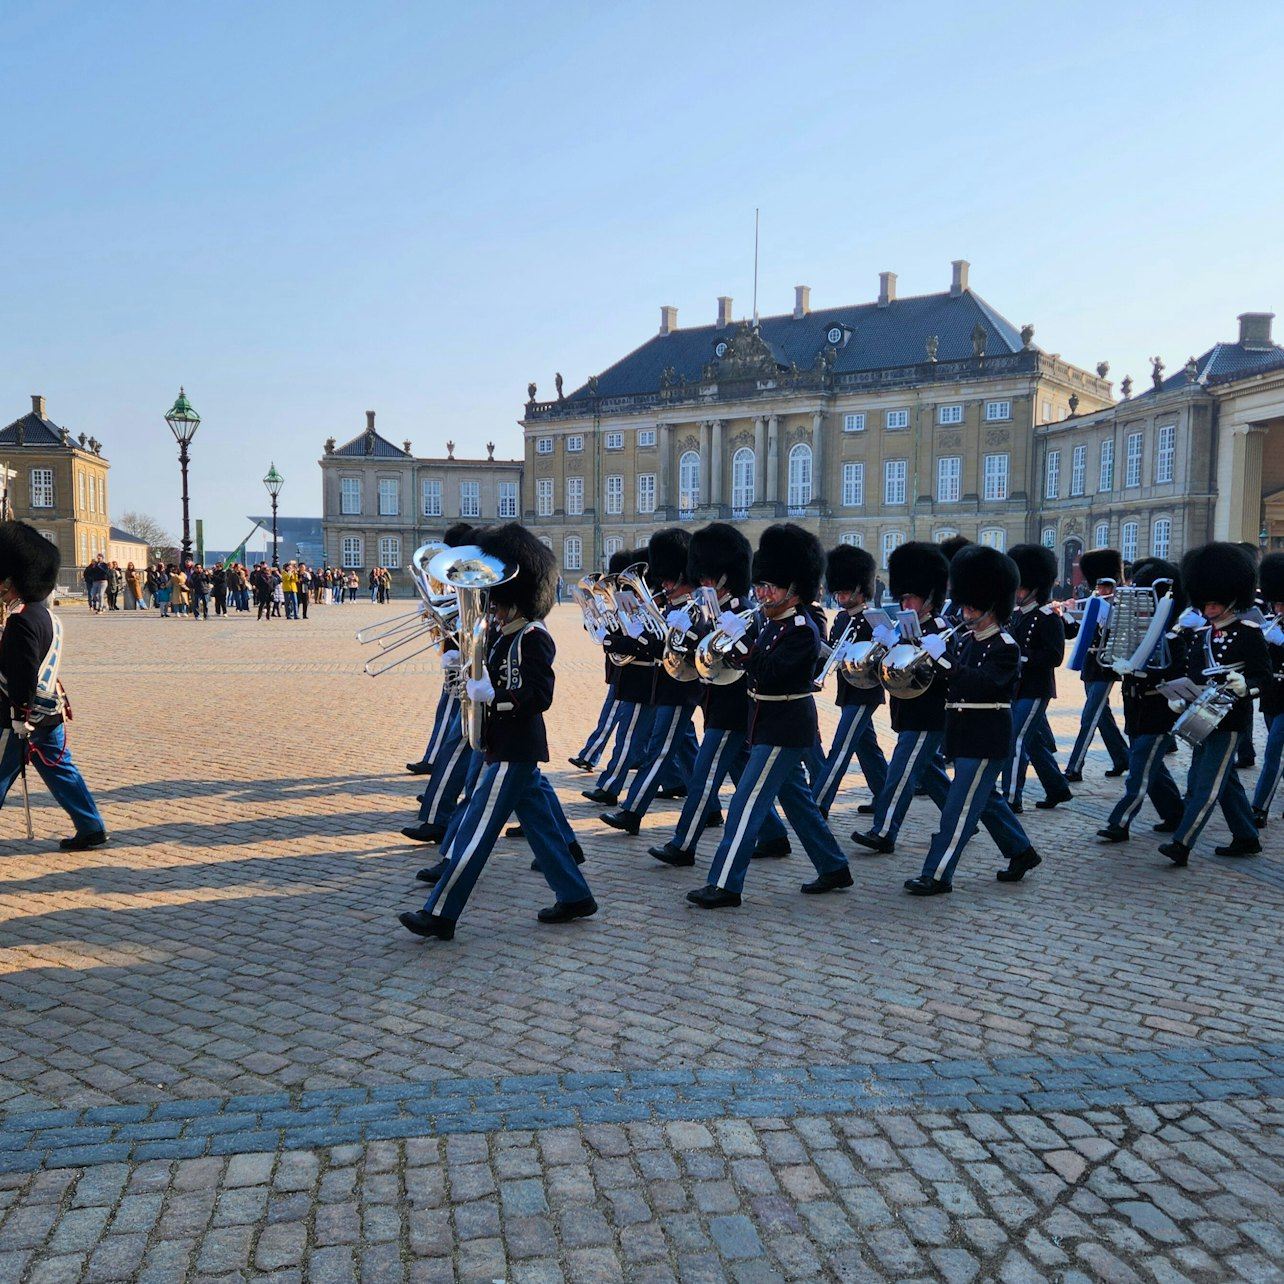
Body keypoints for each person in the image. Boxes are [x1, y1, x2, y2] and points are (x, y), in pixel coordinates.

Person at [399, 523, 596, 941]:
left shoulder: (533, 636)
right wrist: (461, 670)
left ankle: (441, 911)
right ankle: (575, 894)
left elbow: (539, 695)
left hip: (514, 747)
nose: (492, 605)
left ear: (515, 597)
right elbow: (482, 673)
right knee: (542, 829)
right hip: (503, 746)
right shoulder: (502, 633)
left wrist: (495, 695)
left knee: (475, 830)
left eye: (497, 599)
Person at [685, 524, 853, 909]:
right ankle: (833, 866)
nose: (762, 594)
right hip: (765, 724)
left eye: (771, 587)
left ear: (795, 587)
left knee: (745, 803)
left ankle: (726, 884)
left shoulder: (801, 630)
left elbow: (772, 671)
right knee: (797, 802)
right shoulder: (770, 622)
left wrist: (742, 648)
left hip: (784, 727)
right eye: (760, 586)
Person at [648, 522, 790, 867]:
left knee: (703, 776)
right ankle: (774, 834)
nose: (705, 582)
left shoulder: (742, 610)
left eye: (709, 575)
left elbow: (744, 655)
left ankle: (683, 845)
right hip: (715, 703)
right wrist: (681, 629)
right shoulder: (711, 608)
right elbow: (698, 653)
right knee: (741, 772)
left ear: (726, 574)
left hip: (732, 705)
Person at [904, 545, 1039, 895]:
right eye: (964, 605)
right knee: (986, 801)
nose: (965, 613)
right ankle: (1021, 851)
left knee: (958, 809)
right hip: (964, 735)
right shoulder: (966, 640)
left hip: (985, 737)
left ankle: (937, 874)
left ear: (991, 606)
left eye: (972, 607)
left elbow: (981, 684)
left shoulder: (1006, 646)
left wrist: (943, 660)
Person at [1160, 543, 1271, 866]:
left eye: (1214, 603)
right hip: (1202, 716)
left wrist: (1245, 686)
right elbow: (1192, 676)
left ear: (1231, 599)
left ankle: (1182, 842)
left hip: (1230, 719)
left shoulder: (1249, 633)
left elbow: (1262, 678)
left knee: (1205, 785)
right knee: (1225, 783)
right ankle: (1246, 836)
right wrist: (1182, 700)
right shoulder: (1201, 636)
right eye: (1205, 603)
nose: (1208, 609)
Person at [0, 522, 107, 850]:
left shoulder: (19, 622)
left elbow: (23, 674)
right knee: (62, 771)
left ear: (14, 583)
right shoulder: (47, 617)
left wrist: (20, 714)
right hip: (50, 712)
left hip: (20, 715)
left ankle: (91, 827)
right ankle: (90, 826)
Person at [600, 529, 706, 836]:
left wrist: (645, 639)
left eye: (669, 580)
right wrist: (621, 639)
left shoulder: (693, 609)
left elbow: (680, 648)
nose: (664, 585)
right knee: (685, 750)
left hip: (679, 689)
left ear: (683, 576)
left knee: (659, 753)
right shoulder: (671, 606)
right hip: (664, 688)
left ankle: (632, 811)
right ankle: (710, 809)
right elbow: (655, 644)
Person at [852, 542, 953, 855]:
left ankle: (884, 831)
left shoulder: (939, 628)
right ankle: (964, 817)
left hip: (928, 713)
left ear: (929, 597)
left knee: (900, 773)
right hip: (907, 710)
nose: (905, 602)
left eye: (911, 597)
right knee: (929, 773)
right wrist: (883, 644)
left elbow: (950, 672)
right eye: (904, 596)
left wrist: (934, 654)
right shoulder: (904, 626)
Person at [1096, 558, 1188, 843]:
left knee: (1139, 769)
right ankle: (1175, 812)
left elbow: (1174, 670)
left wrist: (1141, 668)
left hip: (1158, 707)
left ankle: (1120, 822)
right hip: (1136, 706)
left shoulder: (1175, 634)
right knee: (1152, 767)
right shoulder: (1135, 630)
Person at [810, 543, 889, 821]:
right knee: (868, 749)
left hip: (865, 691)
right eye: (838, 592)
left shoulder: (874, 619)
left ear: (860, 589)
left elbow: (886, 657)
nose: (841, 597)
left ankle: (819, 803)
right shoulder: (842, 619)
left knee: (840, 748)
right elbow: (832, 650)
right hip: (847, 690)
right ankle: (885, 798)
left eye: (846, 591)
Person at [1002, 544, 1073, 812]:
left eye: (1021, 588)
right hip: (1018, 688)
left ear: (1034, 587)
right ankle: (1057, 787)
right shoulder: (1018, 615)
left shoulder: (1047, 617)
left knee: (1016, 739)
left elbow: (1054, 657)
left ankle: (1011, 796)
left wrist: (1022, 656)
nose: (1017, 593)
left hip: (1036, 688)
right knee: (1034, 742)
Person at [1063, 549, 1129, 781]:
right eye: (1100, 587)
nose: (1102, 592)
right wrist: (1066, 613)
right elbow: (1075, 633)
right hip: (1091, 665)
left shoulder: (1121, 607)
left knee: (1089, 716)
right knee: (1102, 716)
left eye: (1107, 588)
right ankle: (1122, 756)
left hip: (1107, 666)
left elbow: (1119, 635)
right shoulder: (1093, 603)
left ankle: (1074, 766)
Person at [1251, 552, 1284, 826]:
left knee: (1273, 751)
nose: (1279, 609)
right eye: (1277, 603)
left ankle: (1259, 807)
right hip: (1272, 695)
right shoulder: (1273, 622)